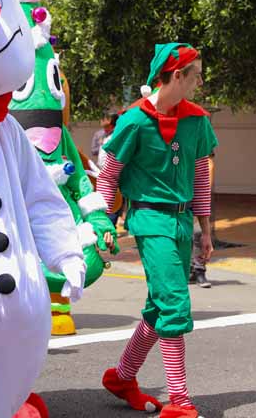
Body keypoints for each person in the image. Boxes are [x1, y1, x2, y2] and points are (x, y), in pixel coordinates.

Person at [97, 42, 216, 418]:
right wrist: (103, 221)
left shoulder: (197, 119)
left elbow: (199, 175)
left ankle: (122, 376)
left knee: (159, 305)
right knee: (175, 305)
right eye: (195, 75)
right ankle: (179, 401)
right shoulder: (133, 121)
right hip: (150, 219)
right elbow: (109, 174)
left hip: (182, 221)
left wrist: (205, 229)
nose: (200, 82)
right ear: (176, 76)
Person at [189, 155, 215, 288]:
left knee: (198, 232)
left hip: (195, 192)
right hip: (179, 194)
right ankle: (189, 269)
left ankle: (199, 270)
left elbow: (209, 163)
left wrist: (203, 191)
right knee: (185, 234)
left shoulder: (199, 136)